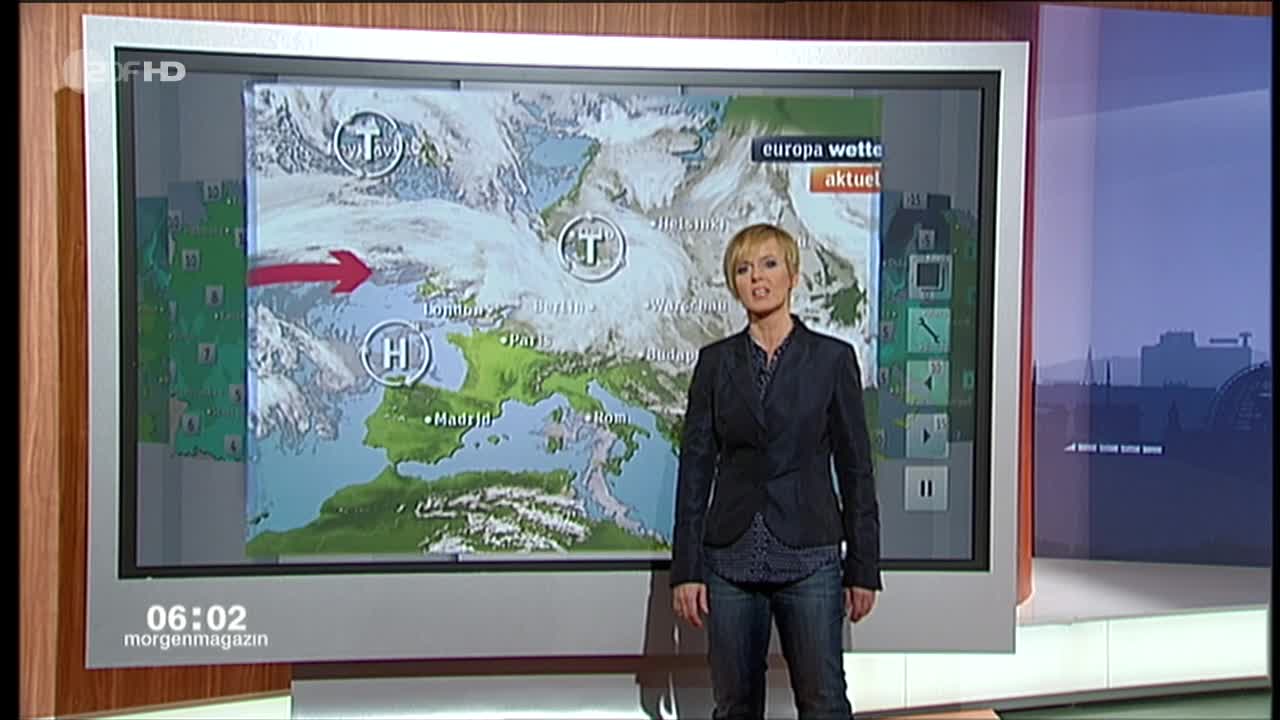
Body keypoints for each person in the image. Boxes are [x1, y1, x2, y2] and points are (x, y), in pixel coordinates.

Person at [670, 222, 883, 720]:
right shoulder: (715, 363)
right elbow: (695, 472)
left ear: (793, 276)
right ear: (733, 283)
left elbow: (856, 470)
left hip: (810, 556)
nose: (757, 278)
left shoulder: (832, 360)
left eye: (768, 265)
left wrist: (863, 567)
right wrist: (687, 570)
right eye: (743, 269)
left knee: (824, 703)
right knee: (734, 706)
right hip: (729, 560)